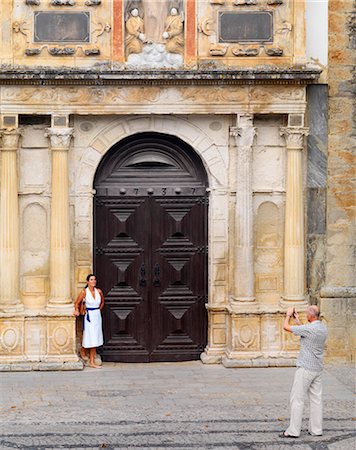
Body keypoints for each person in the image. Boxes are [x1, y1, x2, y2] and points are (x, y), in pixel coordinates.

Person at [280, 305, 328, 438]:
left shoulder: (309, 329)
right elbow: (304, 332)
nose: (306, 315)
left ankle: (293, 430)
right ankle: (316, 430)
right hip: (317, 369)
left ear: (311, 316)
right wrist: (297, 320)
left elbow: (286, 327)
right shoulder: (322, 328)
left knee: (297, 399)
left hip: (306, 368)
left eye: (307, 313)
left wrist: (288, 315)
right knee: (316, 400)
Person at [74, 274, 104, 369]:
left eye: (94, 279)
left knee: (95, 337)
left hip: (97, 316)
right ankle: (86, 353)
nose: (93, 281)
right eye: (91, 279)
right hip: (89, 317)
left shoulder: (99, 291)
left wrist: (98, 310)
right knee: (90, 336)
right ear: (87, 282)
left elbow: (102, 302)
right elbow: (76, 303)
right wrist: (77, 310)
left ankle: (90, 360)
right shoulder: (84, 292)